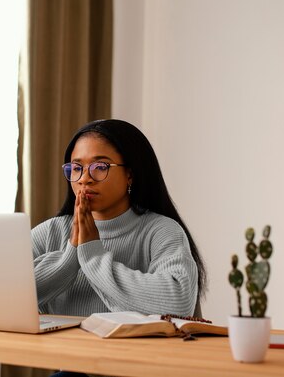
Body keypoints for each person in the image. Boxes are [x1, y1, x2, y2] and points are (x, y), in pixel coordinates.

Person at [32, 119, 206, 319]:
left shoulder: (162, 231)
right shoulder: (50, 232)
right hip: (60, 350)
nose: (84, 178)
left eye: (100, 166)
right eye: (77, 168)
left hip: (132, 351)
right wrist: (71, 256)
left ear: (130, 174)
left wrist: (92, 255)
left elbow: (178, 304)